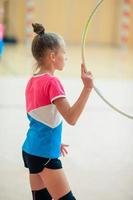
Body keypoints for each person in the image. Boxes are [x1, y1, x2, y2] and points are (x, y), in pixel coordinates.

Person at [22, 23, 93, 200]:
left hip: (31, 150)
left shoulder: (32, 81)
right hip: (44, 154)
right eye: (64, 53)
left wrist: (54, 140)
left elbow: (38, 117)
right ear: (52, 56)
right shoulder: (52, 82)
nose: (66, 57)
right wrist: (87, 88)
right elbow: (71, 118)